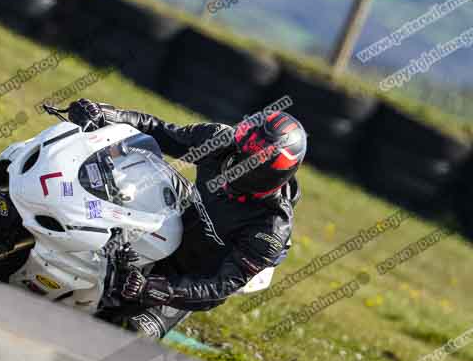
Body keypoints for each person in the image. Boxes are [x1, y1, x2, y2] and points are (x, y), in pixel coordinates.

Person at [67, 99, 307, 339]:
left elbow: (219, 286)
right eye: (238, 150)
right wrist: (105, 115)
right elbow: (158, 130)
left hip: (188, 278)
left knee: (127, 331)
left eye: (246, 160)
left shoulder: (269, 228)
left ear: (267, 175)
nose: (233, 161)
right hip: (177, 222)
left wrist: (156, 289)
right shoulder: (221, 141)